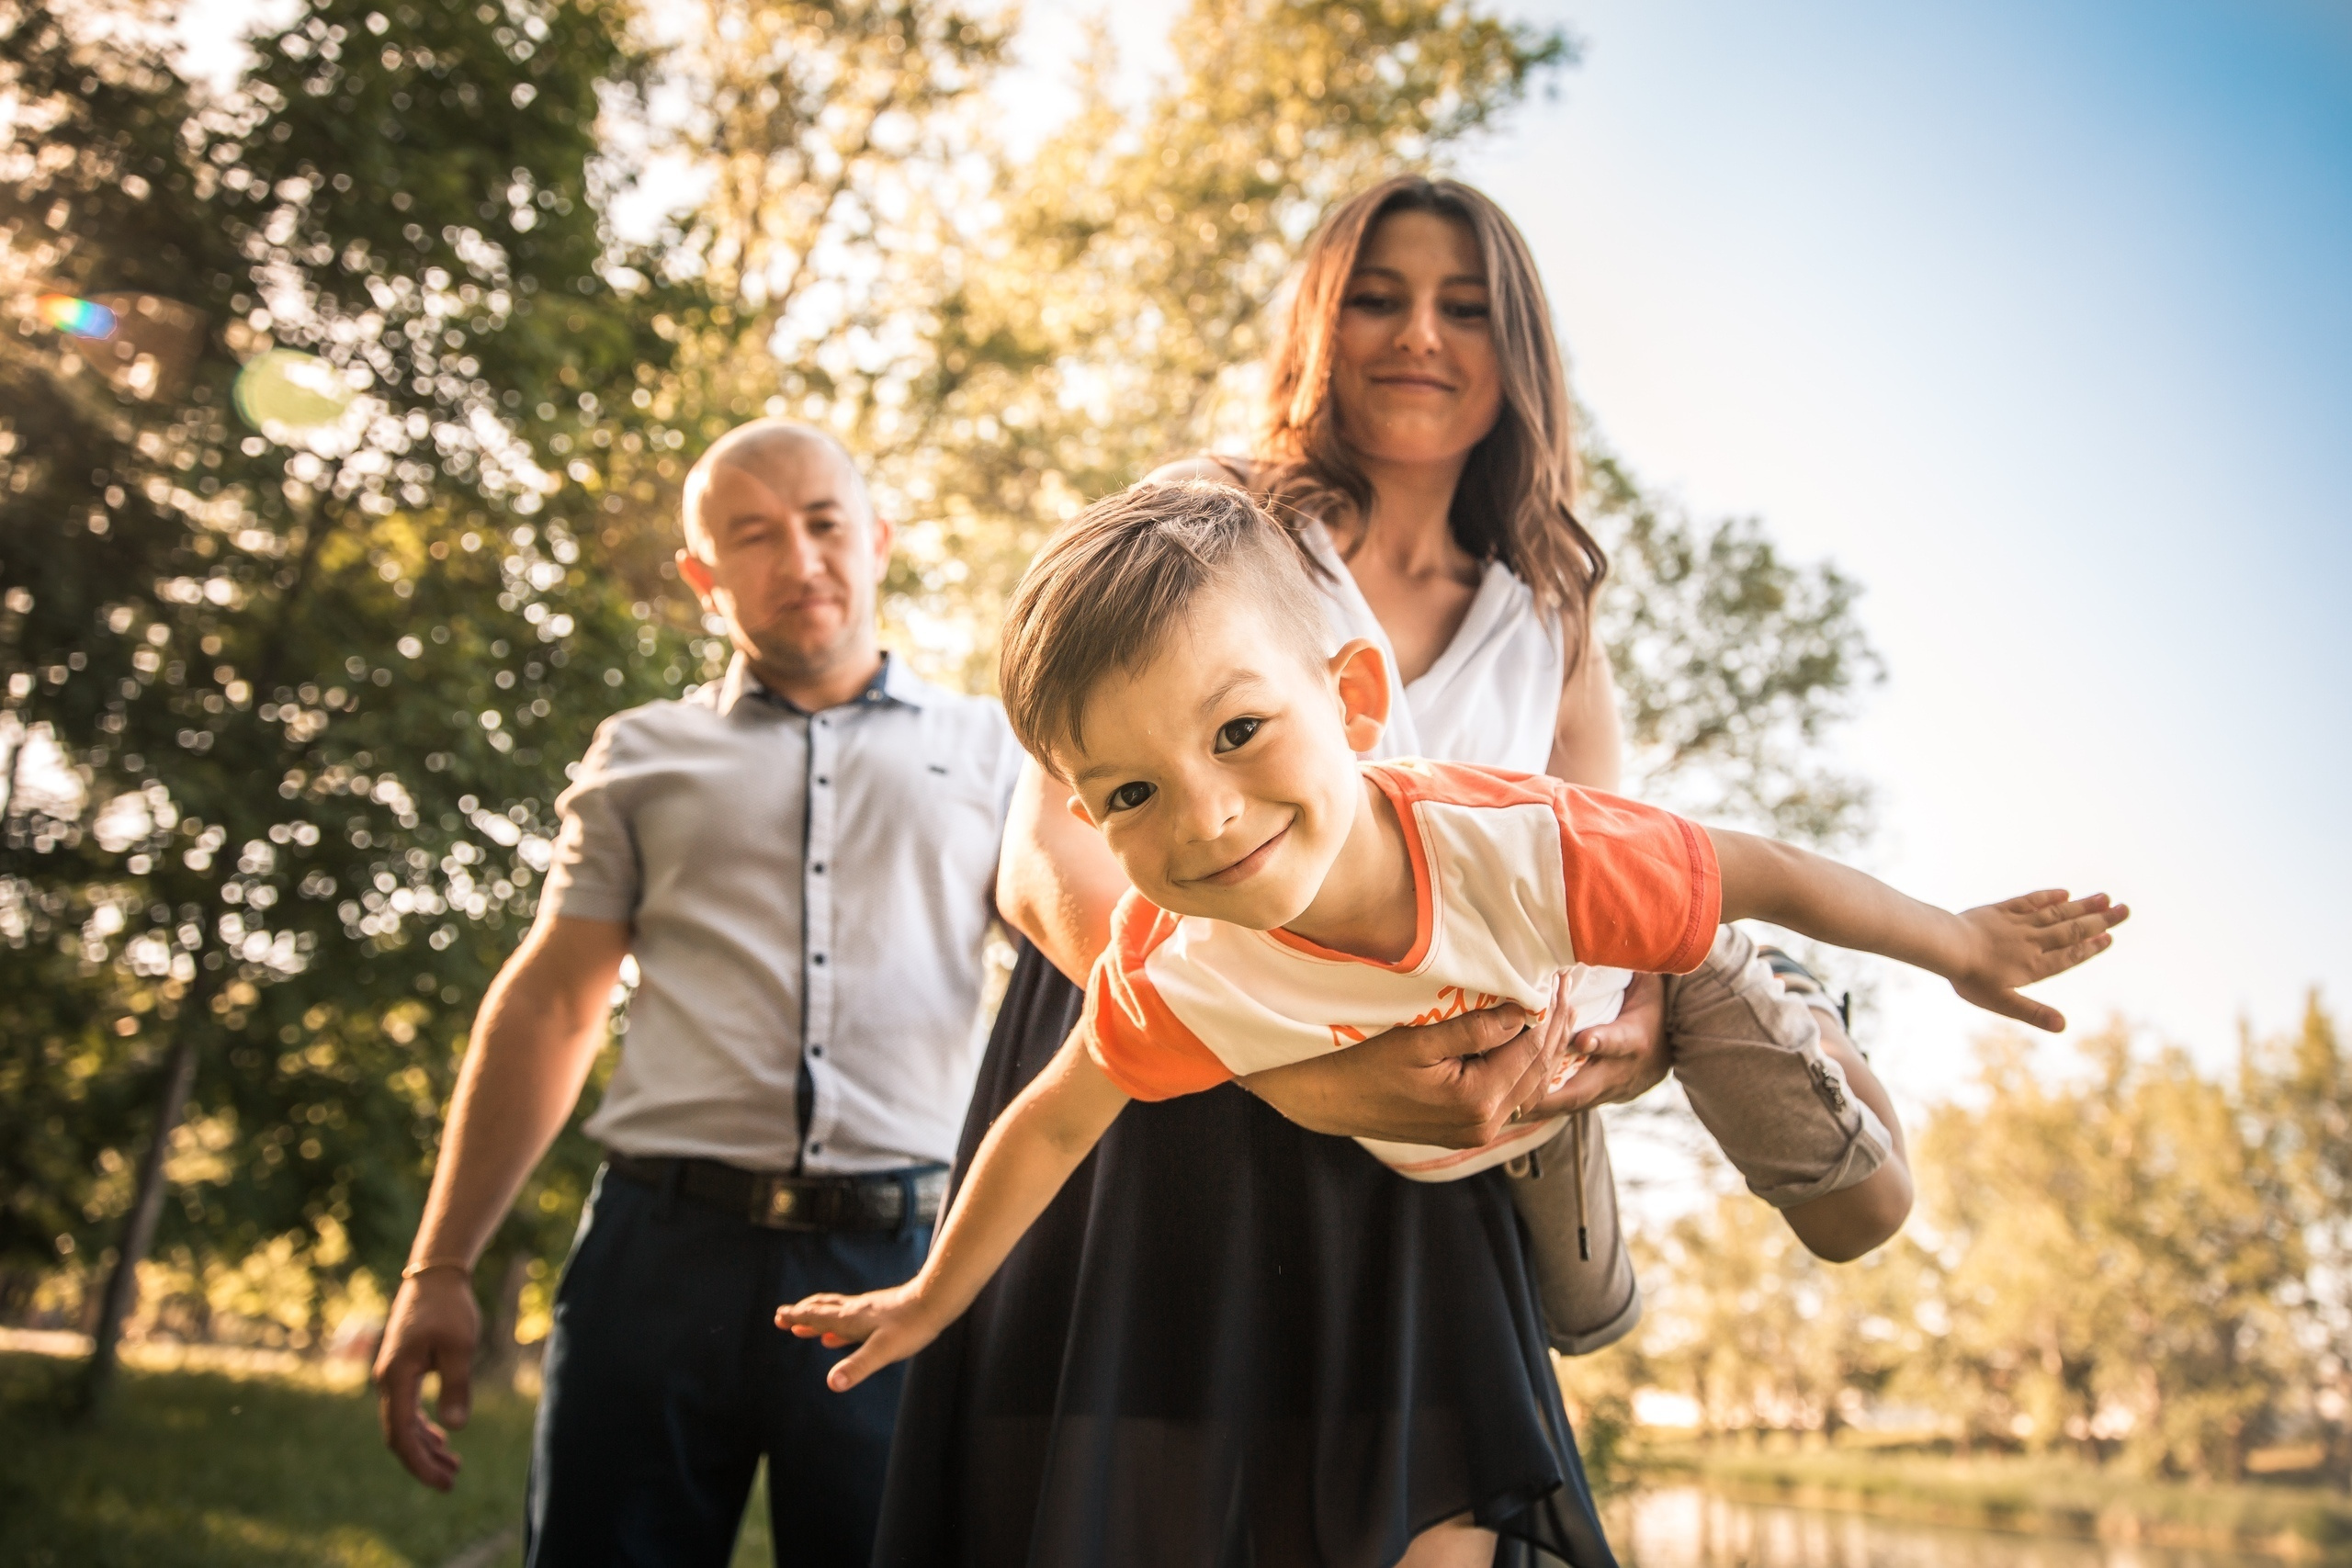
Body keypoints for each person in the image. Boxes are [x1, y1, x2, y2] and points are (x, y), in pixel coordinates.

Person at [874, 176, 1939, 1566]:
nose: (1417, 334)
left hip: (1427, 1140)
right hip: (1167, 1101)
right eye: (1376, 296)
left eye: (1464, 305)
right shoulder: (1211, 519)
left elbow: (1598, 917)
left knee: (1434, 1523)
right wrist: (1275, 1058)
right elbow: (1044, 856)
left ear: (1521, 351)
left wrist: (1601, 1047)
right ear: (1321, 321)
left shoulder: (1549, 609)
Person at [780, 484, 2123, 1539]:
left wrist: (1957, 940)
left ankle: (1742, 987)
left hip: (1585, 996)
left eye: (1239, 731)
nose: (1207, 815)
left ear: (1351, 699)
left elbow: (1756, 859)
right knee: (1592, 1321)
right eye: (1132, 792)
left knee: (1863, 1214)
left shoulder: (1523, 845)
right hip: (1481, 1115)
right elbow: (1053, 1117)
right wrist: (931, 1289)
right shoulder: (1178, 961)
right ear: (1090, 813)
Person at [369, 420, 1023, 1566]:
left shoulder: (996, 753)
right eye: (754, 535)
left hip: (905, 1266)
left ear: (876, 539)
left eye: (824, 525)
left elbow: (1087, 965)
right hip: (658, 1266)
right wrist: (440, 1266)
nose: (800, 559)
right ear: (703, 573)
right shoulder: (642, 754)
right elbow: (554, 1005)